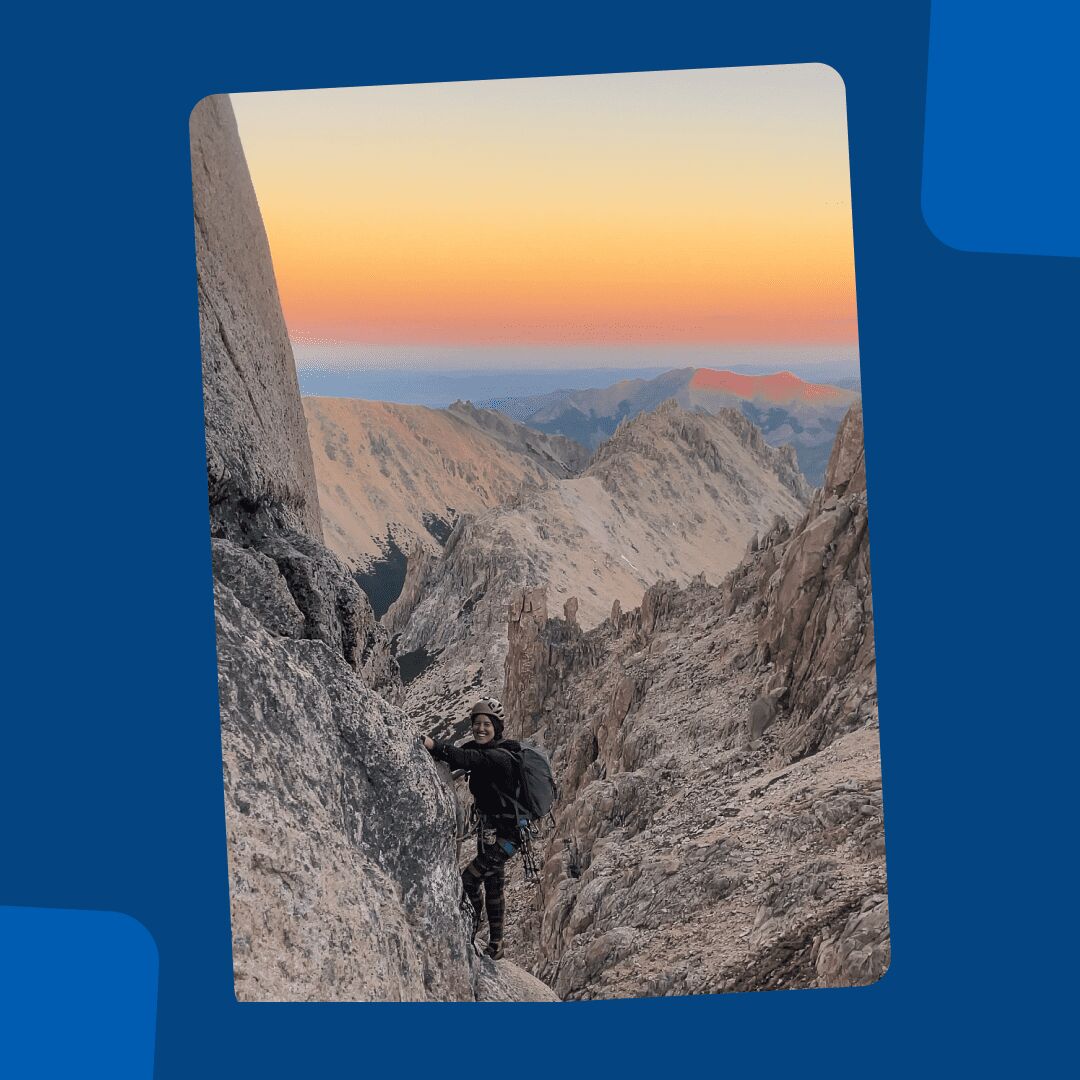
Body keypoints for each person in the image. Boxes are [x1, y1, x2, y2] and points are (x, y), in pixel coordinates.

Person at [423, 699, 522, 960]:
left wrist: (432, 744)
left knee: (469, 880)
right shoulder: (486, 751)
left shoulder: (499, 758)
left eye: (486, 724)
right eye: (476, 723)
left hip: (506, 837)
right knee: (493, 883)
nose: (480, 728)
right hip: (490, 832)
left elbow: (464, 757)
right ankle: (496, 945)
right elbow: (460, 755)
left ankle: (469, 929)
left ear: (497, 728)